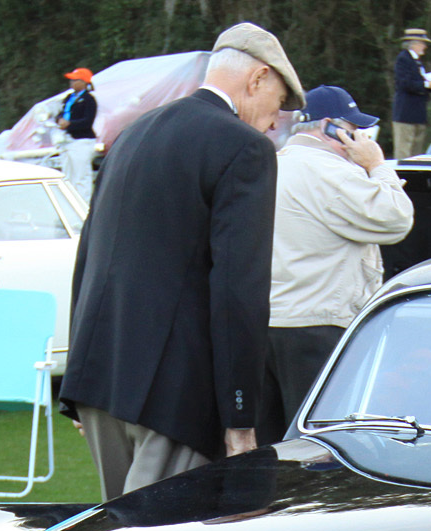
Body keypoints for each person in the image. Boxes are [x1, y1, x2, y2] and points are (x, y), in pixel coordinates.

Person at [62, 23, 303, 499]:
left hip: (99, 380)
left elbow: (90, 256)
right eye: (277, 104)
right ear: (256, 79)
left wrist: (78, 383)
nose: (276, 121)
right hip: (173, 398)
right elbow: (239, 290)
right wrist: (240, 419)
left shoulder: (132, 135)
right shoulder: (245, 148)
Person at [258, 85, 414, 446]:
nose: (361, 136)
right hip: (317, 324)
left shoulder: (272, 163)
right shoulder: (328, 170)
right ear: (331, 128)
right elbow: (396, 218)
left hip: (267, 324)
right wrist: (376, 164)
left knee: (271, 448)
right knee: (321, 447)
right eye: (353, 128)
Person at [390, 29, 431, 160]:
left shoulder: (417, 61)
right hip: (406, 114)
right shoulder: (403, 59)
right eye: (423, 43)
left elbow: (418, 82)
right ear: (414, 44)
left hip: (418, 113)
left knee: (416, 154)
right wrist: (427, 85)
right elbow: (405, 83)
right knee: (404, 152)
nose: (425, 47)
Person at [55, 68, 98, 202]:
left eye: (75, 80)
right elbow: (60, 112)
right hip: (67, 140)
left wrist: (70, 124)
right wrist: (60, 120)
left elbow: (87, 121)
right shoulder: (69, 98)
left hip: (81, 140)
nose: (72, 82)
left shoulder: (89, 100)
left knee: (81, 175)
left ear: (84, 82)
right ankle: (70, 203)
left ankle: (84, 204)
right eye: (71, 79)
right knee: (68, 175)